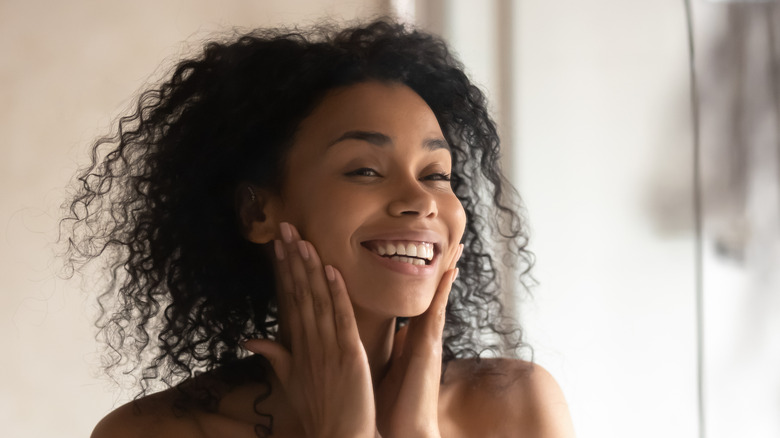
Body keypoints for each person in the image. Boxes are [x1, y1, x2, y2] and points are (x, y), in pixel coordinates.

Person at [64, 18, 574, 438]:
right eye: (365, 170)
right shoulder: (151, 433)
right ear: (257, 213)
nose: (421, 201)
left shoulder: (517, 407)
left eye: (437, 175)